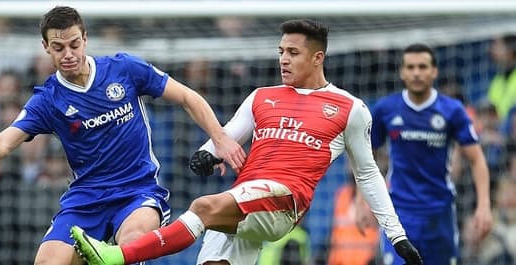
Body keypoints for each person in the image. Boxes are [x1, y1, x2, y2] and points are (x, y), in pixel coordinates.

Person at [70, 19, 423, 265]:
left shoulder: (349, 108)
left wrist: (396, 235)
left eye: (293, 53)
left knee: (203, 207)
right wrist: (205, 156)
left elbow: (368, 174)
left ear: (318, 58)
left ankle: (115, 256)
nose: (283, 58)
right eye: (281, 50)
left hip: (283, 200)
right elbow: (225, 137)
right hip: (244, 198)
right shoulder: (261, 97)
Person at [0, 6, 245, 265]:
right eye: (58, 48)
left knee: (132, 245)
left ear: (85, 39)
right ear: (46, 48)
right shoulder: (48, 99)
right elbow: (5, 142)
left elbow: (187, 97)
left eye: (74, 44)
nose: (68, 54)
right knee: (48, 261)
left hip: (137, 191)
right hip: (86, 199)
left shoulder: (124, 69)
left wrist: (220, 138)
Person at [361, 43, 493, 265]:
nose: (416, 73)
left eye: (422, 67)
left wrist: (484, 205)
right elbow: (365, 158)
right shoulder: (386, 109)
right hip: (400, 213)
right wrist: (361, 201)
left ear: (434, 71)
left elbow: (477, 159)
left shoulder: (452, 110)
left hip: (439, 212)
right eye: (411, 67)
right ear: (402, 72)